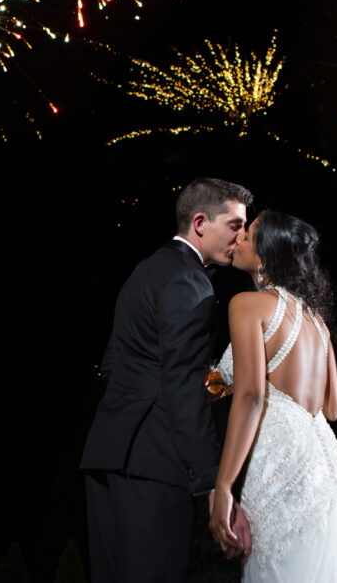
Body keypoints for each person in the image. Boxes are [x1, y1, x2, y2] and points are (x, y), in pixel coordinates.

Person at [208, 210, 337, 582]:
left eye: (247, 236)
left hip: (280, 460)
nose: (238, 241)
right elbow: (332, 407)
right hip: (324, 463)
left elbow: (251, 397)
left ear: (265, 255)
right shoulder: (317, 321)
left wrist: (223, 485)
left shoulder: (247, 305)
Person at [81, 177, 255, 583]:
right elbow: (181, 382)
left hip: (108, 456)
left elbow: (112, 361)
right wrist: (213, 482)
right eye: (234, 226)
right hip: (153, 463)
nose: (241, 237)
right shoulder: (190, 281)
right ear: (200, 222)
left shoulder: (147, 269)